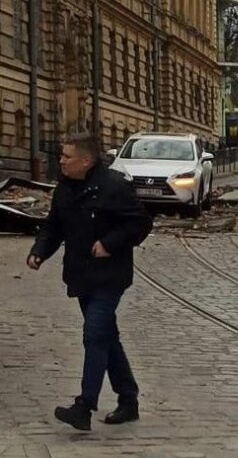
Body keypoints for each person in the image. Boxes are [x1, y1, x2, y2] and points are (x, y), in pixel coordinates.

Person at [27, 132, 153, 431]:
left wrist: (109, 243)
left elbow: (140, 222)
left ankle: (84, 405)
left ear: (86, 160)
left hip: (110, 274)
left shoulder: (113, 186)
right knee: (106, 336)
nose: (61, 161)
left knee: (94, 333)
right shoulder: (65, 189)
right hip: (81, 273)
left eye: (66, 157)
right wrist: (39, 252)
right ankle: (128, 399)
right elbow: (53, 227)